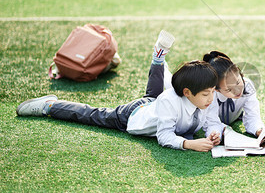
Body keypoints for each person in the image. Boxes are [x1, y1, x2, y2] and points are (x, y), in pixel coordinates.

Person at [16, 31, 223, 152]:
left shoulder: (203, 97)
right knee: (93, 115)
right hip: (132, 115)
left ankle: (158, 58)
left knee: (153, 94)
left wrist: (214, 134)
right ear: (187, 93)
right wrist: (189, 144)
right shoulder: (170, 101)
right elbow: (164, 136)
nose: (211, 98)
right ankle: (49, 106)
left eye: (212, 92)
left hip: (155, 104)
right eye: (206, 94)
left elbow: (209, 121)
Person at [202, 51, 264, 136]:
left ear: (239, 73)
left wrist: (258, 130)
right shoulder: (210, 95)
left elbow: (253, 116)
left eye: (238, 82)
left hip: (234, 117)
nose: (237, 91)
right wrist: (215, 135)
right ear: (216, 90)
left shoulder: (247, 85)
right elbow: (211, 122)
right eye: (228, 90)